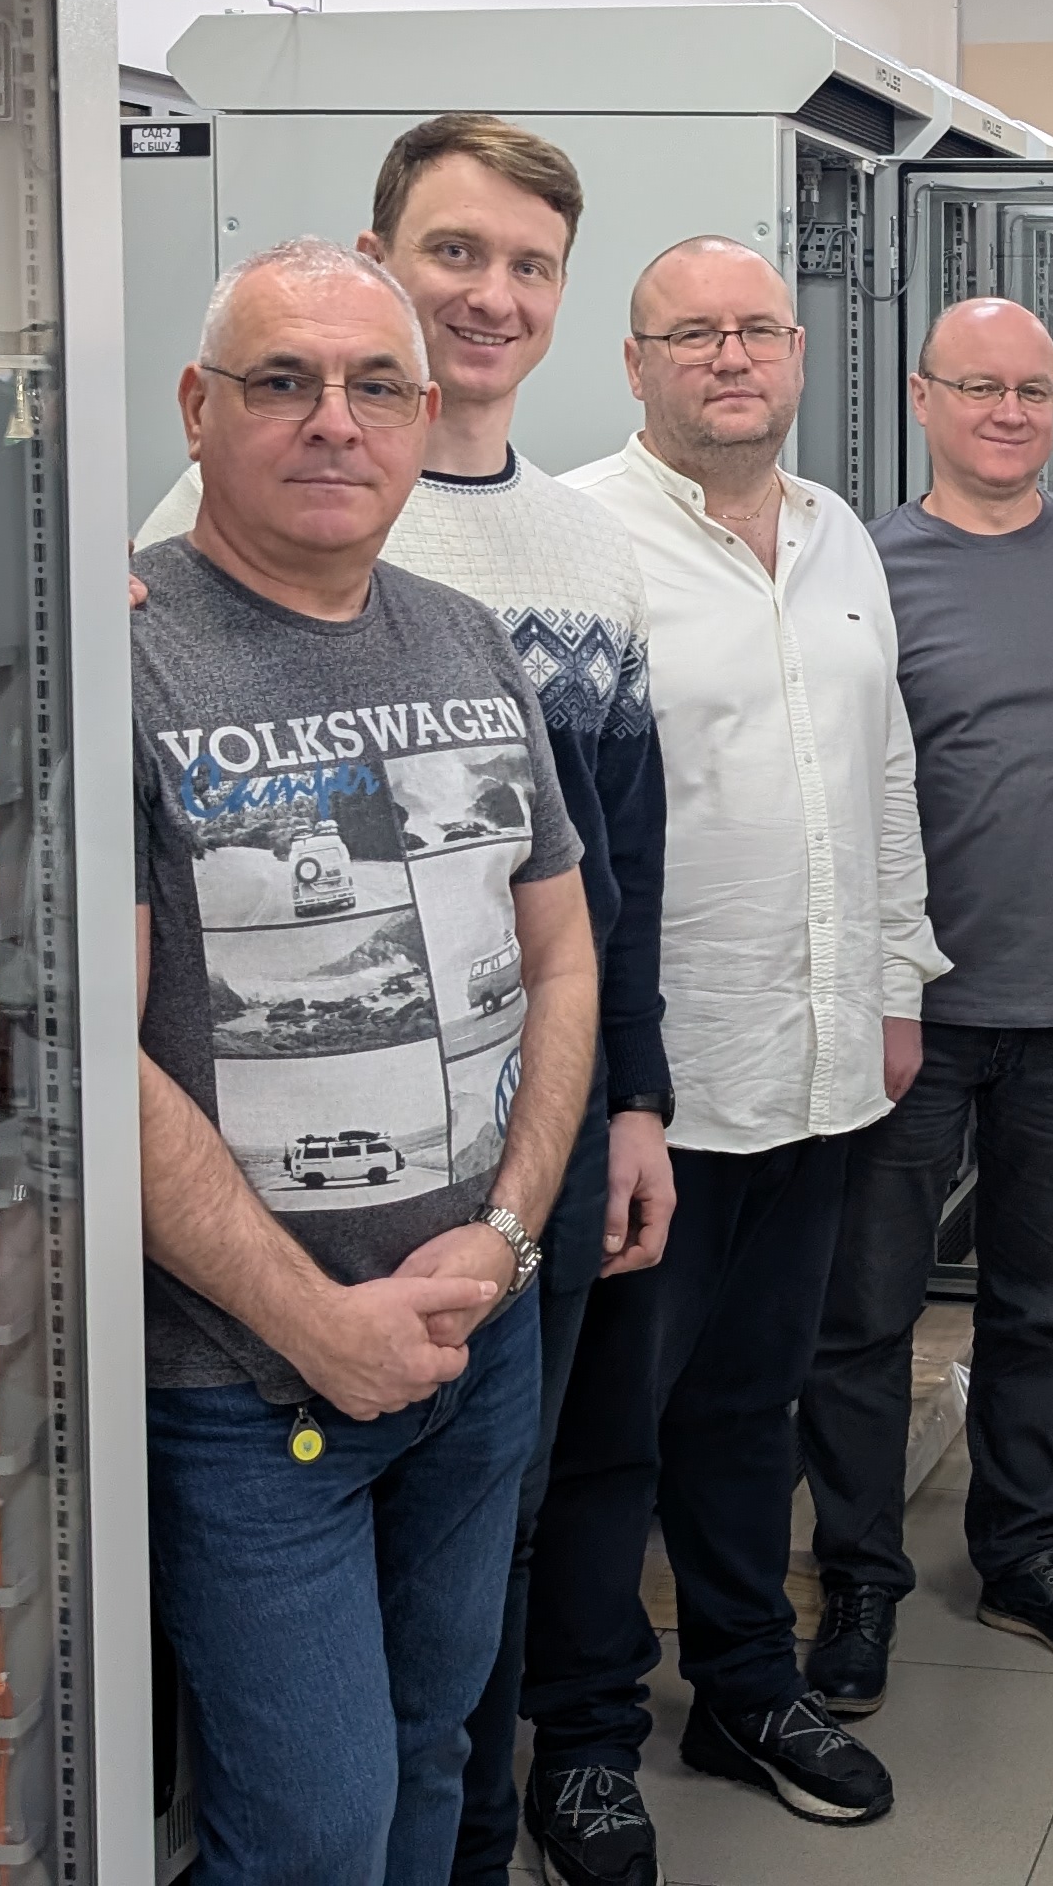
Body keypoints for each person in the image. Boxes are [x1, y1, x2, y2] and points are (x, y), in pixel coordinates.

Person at [131, 115, 675, 1886]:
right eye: (281, 382)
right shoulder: (121, 654)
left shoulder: (466, 639)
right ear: (198, 409)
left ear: (421, 411)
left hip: (472, 1336)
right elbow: (92, 1055)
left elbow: (560, 952)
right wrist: (318, 1319)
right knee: (313, 1828)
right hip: (245, 1375)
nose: (335, 421)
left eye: (375, 386)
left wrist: (506, 1242)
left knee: (440, 1754)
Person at [502, 240, 937, 1884]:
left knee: (756, 1406)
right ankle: (586, 1737)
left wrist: (897, 976)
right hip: (649, 1089)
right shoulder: (573, 539)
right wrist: (617, 1083)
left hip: (816, 1059)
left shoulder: (839, 536)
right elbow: (555, 849)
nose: (732, 357)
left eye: (758, 330)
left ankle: (746, 1688)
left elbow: (883, 772)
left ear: (801, 353)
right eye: (693, 334)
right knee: (613, 1432)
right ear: (633, 365)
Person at [799, 298, 1053, 1695]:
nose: (1009, 413)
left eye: (1033, 390)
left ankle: (1029, 1554)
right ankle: (858, 1581)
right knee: (866, 1314)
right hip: (908, 1017)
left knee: (1047, 1303)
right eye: (979, 387)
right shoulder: (859, 566)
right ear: (922, 397)